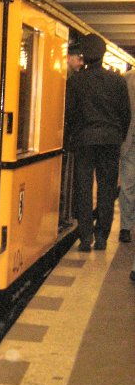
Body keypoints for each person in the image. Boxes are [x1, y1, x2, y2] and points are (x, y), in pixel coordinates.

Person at [65, 33, 131, 252]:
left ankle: (85, 238)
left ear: (84, 55)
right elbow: (125, 114)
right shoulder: (117, 81)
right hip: (110, 141)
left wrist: (73, 136)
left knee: (83, 188)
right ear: (103, 55)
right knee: (106, 189)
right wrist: (117, 136)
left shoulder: (76, 81)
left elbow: (70, 113)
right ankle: (102, 236)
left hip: (84, 140)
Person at [118, 68, 135, 280]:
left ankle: (126, 226)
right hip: (130, 141)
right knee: (128, 185)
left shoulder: (127, 78)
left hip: (129, 140)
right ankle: (125, 226)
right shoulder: (128, 78)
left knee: (129, 184)